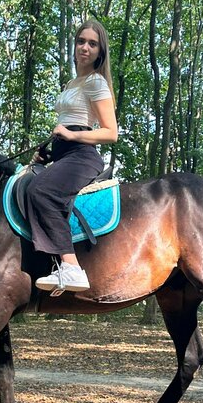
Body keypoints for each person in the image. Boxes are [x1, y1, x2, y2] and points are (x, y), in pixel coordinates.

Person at [28, 20, 118, 294]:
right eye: (81, 41)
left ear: (100, 51)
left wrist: (71, 135)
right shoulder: (71, 83)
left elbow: (111, 133)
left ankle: (71, 268)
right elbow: (68, 122)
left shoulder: (96, 81)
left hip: (83, 156)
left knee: (41, 191)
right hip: (64, 153)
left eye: (92, 44)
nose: (85, 47)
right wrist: (48, 153)